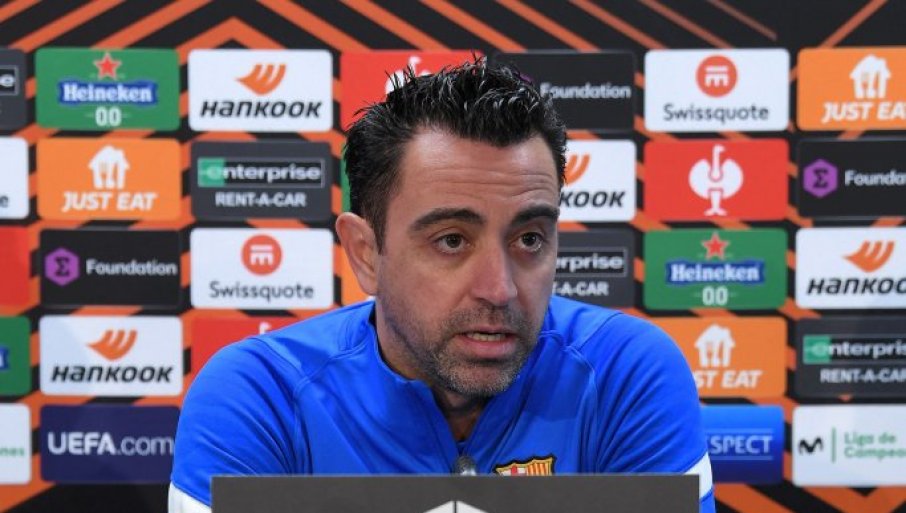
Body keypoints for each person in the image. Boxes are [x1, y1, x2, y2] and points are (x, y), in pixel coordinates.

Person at [169, 58, 715, 513]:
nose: (499, 289)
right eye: (451, 241)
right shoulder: (260, 395)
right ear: (365, 253)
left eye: (529, 239)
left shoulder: (625, 372)